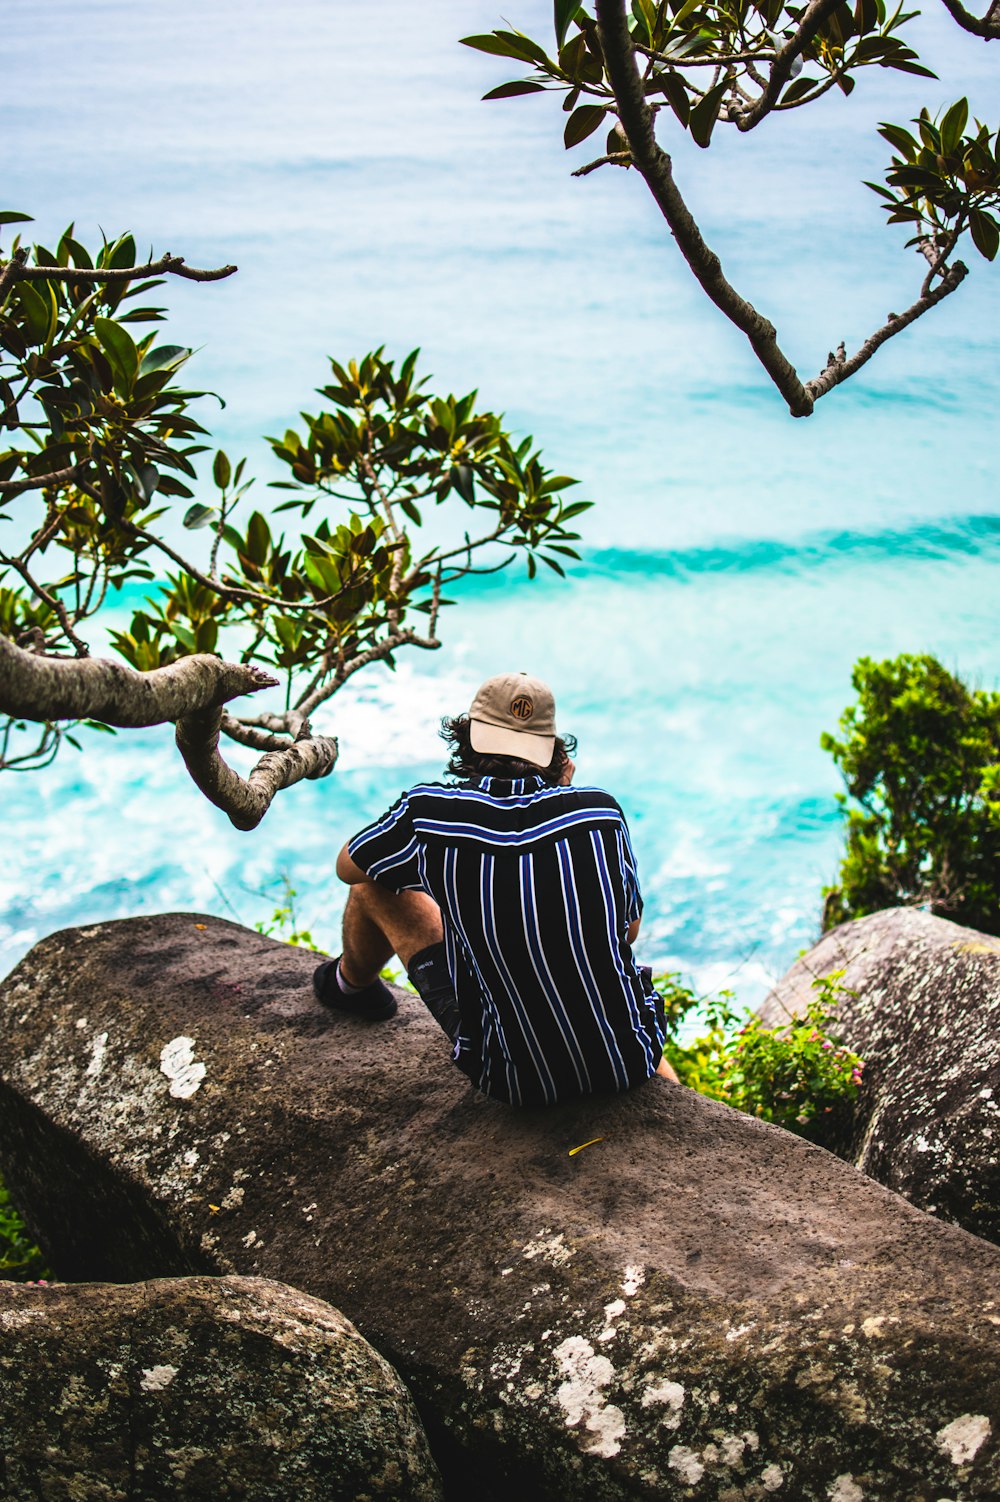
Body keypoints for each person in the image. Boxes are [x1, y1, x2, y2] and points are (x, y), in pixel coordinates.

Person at [313, 671, 679, 1105]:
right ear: (553, 750)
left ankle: (349, 986)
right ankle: (664, 1094)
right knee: (611, 990)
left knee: (376, 884)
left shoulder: (428, 815)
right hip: (628, 1061)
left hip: (517, 1081)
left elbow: (348, 868)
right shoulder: (599, 812)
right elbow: (628, 932)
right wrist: (561, 792)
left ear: (468, 738)